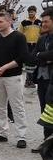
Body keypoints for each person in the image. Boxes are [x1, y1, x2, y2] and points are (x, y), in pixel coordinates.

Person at [0, 10, 30, 148]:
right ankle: (2, 133)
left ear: (9, 21)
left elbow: (22, 57)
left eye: (0, 22)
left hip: (13, 77)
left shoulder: (19, 37)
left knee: (17, 106)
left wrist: (4, 67)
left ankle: (21, 136)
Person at [32, 10, 53, 150]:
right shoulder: (42, 39)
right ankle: (47, 143)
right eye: (42, 21)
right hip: (42, 78)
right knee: (45, 111)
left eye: (46, 21)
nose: (43, 24)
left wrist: (41, 55)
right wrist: (44, 56)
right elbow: (32, 56)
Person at [20, 5, 42, 87]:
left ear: (35, 12)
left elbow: (42, 33)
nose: (31, 13)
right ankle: (28, 81)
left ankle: (32, 80)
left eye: (32, 12)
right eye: (29, 12)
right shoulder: (24, 22)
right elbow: (20, 34)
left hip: (36, 45)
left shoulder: (39, 22)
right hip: (27, 45)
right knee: (28, 62)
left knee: (34, 62)